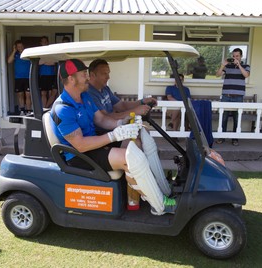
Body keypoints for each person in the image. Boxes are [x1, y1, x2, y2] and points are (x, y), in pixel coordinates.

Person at [52, 58, 176, 215]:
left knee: (139, 142)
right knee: (131, 157)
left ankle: (159, 190)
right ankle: (161, 206)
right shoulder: (63, 109)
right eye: (84, 74)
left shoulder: (85, 97)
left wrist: (121, 125)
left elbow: (102, 120)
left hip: (93, 145)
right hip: (79, 156)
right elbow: (81, 145)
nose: (88, 77)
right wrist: (114, 135)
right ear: (71, 78)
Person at [87, 59, 157, 125]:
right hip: (102, 132)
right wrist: (134, 112)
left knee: (144, 131)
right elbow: (105, 118)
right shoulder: (89, 94)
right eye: (104, 74)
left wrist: (142, 101)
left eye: (108, 73)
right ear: (93, 75)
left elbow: (122, 106)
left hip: (114, 126)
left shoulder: (105, 89)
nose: (108, 77)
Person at [215, 48, 251, 146]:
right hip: (226, 96)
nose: (235, 58)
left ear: (241, 56)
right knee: (224, 118)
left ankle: (235, 139)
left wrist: (239, 65)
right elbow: (217, 75)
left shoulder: (246, 66)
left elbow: (246, 75)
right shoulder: (228, 66)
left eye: (237, 56)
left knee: (237, 118)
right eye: (233, 56)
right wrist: (223, 65)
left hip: (238, 97)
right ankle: (221, 137)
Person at [7, 40, 32, 115]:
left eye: (21, 46)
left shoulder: (28, 54)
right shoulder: (15, 54)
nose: (20, 48)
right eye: (18, 47)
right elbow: (9, 61)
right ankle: (22, 110)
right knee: (20, 95)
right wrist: (14, 51)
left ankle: (28, 111)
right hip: (18, 78)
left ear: (23, 46)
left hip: (28, 78)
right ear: (16, 47)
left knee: (28, 95)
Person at [38, 36, 57, 108]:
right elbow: (39, 62)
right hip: (43, 75)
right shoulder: (39, 52)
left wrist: (44, 61)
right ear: (41, 43)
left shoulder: (51, 51)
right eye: (43, 41)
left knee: (52, 92)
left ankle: (47, 107)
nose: (44, 43)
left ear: (48, 42)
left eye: (46, 41)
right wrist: (47, 61)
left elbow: (54, 62)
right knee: (43, 93)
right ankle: (44, 108)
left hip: (52, 75)